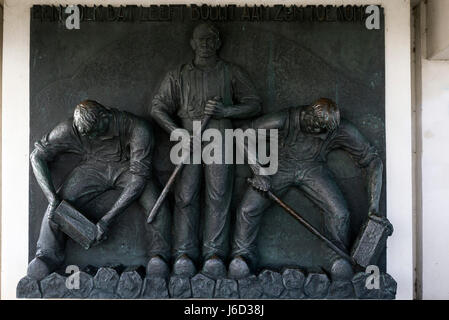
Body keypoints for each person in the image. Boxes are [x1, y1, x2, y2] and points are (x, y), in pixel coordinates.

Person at [229, 98, 384, 281]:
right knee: (247, 209)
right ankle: (242, 256)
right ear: (308, 115)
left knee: (340, 213)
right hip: (279, 167)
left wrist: (374, 207)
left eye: (324, 133)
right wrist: (259, 172)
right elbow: (241, 133)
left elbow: (372, 160)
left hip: (313, 169)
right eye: (316, 130)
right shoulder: (284, 119)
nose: (320, 136)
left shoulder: (337, 129)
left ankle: (337, 260)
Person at [151, 23, 261, 278]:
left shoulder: (230, 72)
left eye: (211, 39)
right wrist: (176, 132)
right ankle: (183, 253)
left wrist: (227, 111)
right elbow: (157, 107)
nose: (206, 43)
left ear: (218, 42)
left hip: (219, 134)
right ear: (192, 43)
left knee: (218, 195)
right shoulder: (177, 75)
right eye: (201, 39)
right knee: (185, 195)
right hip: (187, 136)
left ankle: (214, 254)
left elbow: (254, 104)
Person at [27, 100, 171, 280]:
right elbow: (37, 156)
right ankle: (47, 255)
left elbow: (139, 179)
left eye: (93, 132)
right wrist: (52, 199)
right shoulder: (70, 128)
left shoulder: (138, 129)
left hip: (129, 169)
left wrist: (107, 220)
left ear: (105, 116)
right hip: (93, 167)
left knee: (156, 204)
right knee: (57, 206)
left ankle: (159, 255)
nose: (90, 137)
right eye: (85, 134)